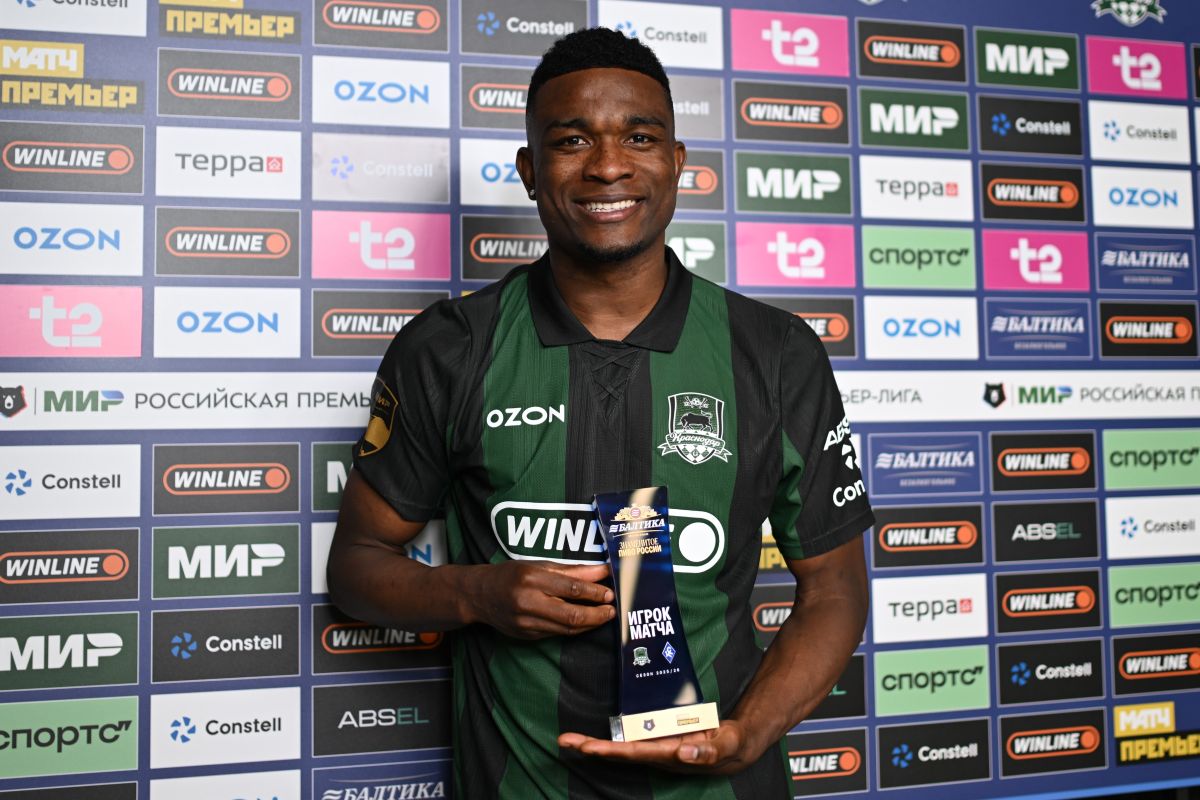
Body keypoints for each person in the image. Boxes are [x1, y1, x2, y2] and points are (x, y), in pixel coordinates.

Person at [328, 27, 873, 799]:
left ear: (677, 162)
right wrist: (475, 594)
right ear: (529, 170)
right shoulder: (449, 348)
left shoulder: (776, 352)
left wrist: (747, 733)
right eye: (572, 140)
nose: (608, 165)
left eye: (639, 138)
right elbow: (357, 566)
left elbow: (836, 589)